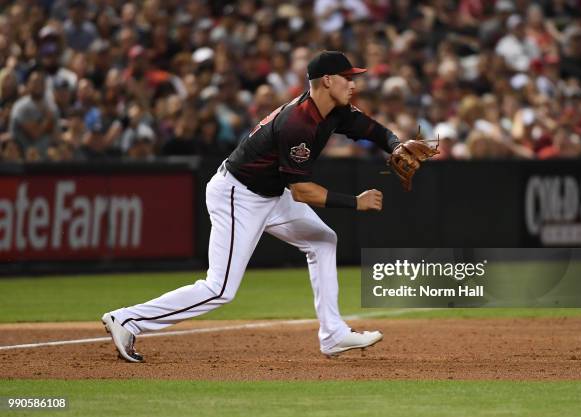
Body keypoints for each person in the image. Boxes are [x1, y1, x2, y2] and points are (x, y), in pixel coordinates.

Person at [102, 51, 403, 362]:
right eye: (347, 77)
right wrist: (355, 202)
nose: (353, 84)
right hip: (238, 195)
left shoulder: (334, 110)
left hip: (271, 195)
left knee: (323, 240)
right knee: (220, 289)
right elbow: (302, 191)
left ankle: (333, 335)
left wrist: (397, 145)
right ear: (327, 81)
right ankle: (127, 319)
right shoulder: (297, 123)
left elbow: (372, 129)